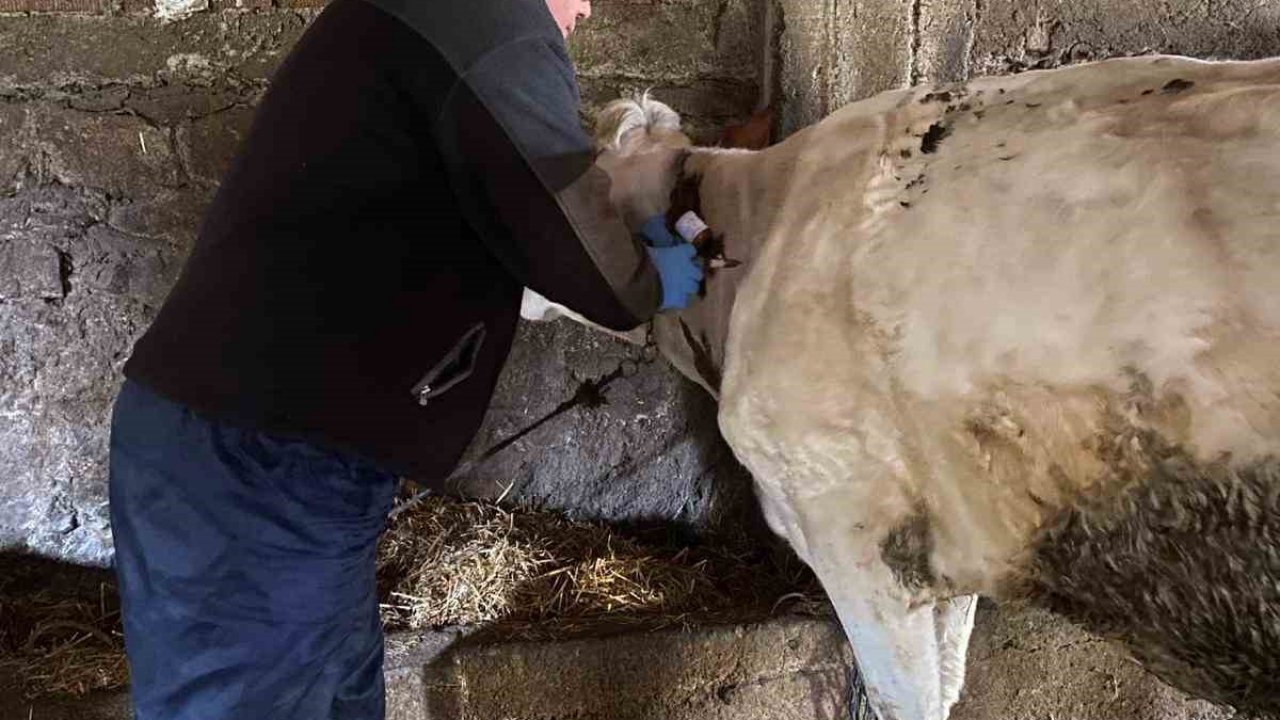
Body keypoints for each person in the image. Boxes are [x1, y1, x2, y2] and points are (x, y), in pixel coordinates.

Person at [107, 0, 702, 717]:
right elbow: (559, 219)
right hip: (259, 457)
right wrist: (643, 282)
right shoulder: (491, 21)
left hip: (274, 451)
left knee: (330, 696)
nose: (584, 11)